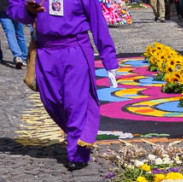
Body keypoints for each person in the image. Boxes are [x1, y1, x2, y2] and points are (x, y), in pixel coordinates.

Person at [9, 0, 118, 169]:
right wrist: (27, 11)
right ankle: (77, 136)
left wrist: (109, 60)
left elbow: (98, 23)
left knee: (75, 103)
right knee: (52, 101)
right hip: (45, 52)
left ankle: (77, 153)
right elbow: (13, 9)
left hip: (74, 49)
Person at [0, 0, 28, 67]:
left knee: (10, 34)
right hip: (17, 9)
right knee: (20, 35)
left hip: (4, 10)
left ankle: (19, 56)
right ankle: (23, 57)